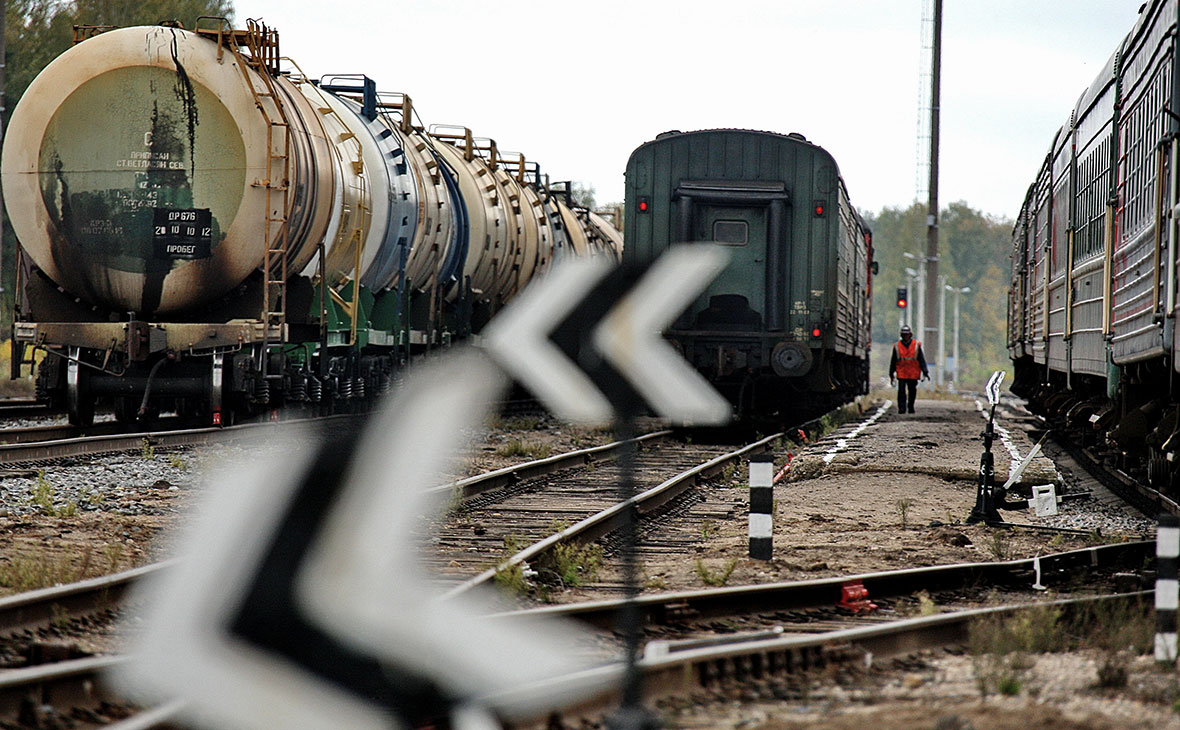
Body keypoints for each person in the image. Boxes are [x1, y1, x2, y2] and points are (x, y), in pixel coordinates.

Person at [889, 325, 929, 414]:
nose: (905, 336)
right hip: (902, 372)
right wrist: (891, 374)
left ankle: (910, 407)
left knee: (912, 391)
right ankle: (902, 408)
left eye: (906, 334)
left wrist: (925, 371)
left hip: (913, 372)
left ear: (910, 335)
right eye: (903, 334)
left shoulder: (916, 345)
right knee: (901, 391)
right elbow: (893, 361)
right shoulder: (897, 346)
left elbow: (921, 359)